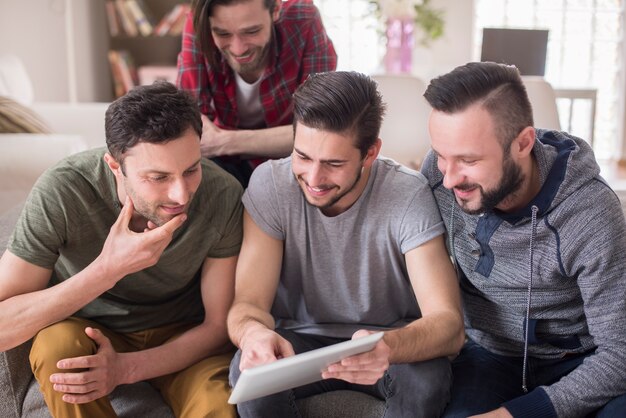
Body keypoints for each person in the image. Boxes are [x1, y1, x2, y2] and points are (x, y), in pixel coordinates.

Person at [226, 71, 465, 417]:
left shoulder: (407, 195)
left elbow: (448, 324)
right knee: (248, 374)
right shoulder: (271, 185)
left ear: (370, 153)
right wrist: (252, 336)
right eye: (303, 157)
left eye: (333, 164)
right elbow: (247, 304)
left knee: (427, 381)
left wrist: (389, 346)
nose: (313, 179)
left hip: (387, 344)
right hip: (299, 341)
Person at [0, 82, 244, 418]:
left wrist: (125, 369)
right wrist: (108, 269)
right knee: (58, 350)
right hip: (90, 327)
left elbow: (218, 327)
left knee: (216, 404)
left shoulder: (223, 194)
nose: (181, 194)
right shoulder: (63, 189)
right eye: (158, 177)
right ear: (116, 167)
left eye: (191, 170)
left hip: (182, 333)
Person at [420, 61, 626, 417]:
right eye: (441, 155)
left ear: (523, 143)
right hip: (489, 355)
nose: (450, 178)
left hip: (581, 361)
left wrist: (517, 414)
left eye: (468, 160)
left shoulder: (590, 213)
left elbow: (620, 353)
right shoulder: (439, 175)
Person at [176, 0, 338, 187]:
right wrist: (282, 138)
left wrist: (226, 142)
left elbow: (322, 129)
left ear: (275, 9)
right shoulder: (199, 24)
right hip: (226, 164)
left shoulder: (304, 20)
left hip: (290, 162)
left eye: (252, 31)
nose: (238, 49)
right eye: (222, 33)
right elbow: (191, 125)